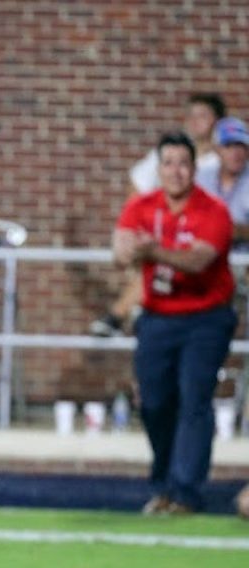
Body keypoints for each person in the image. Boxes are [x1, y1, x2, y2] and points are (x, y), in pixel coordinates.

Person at [113, 131, 236, 514]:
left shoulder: (213, 210)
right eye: (168, 163)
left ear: (194, 170)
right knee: (153, 402)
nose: (176, 171)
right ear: (159, 168)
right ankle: (164, 482)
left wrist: (153, 251)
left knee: (194, 400)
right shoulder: (142, 206)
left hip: (206, 319)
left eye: (183, 164)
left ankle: (185, 492)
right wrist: (135, 249)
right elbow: (120, 252)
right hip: (157, 318)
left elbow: (200, 260)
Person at [91, 93, 227, 337]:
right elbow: (136, 189)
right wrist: (137, 230)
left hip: (204, 245)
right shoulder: (169, 153)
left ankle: (118, 314)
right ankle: (124, 315)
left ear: (217, 122)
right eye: (192, 115)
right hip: (164, 236)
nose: (196, 122)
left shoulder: (223, 160)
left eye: (203, 116)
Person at [196, 117, 249, 246]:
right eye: (228, 146)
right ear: (217, 149)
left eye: (240, 145)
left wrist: (238, 231)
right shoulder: (202, 177)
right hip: (205, 254)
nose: (235, 153)